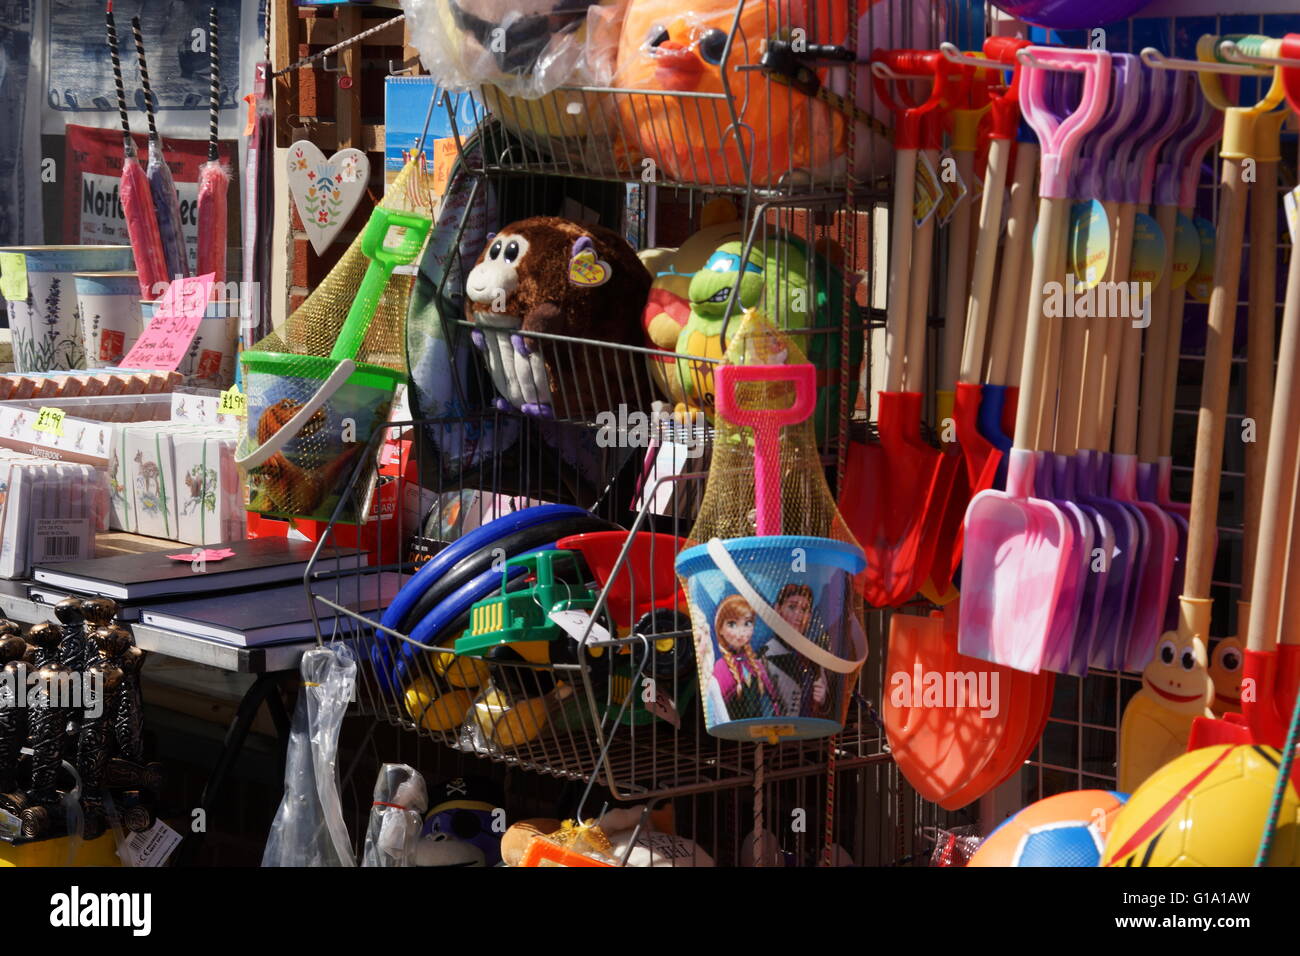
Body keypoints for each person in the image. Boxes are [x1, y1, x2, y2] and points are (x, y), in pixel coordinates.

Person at [763, 584, 830, 718]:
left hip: (810, 732)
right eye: (792, 607)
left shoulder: (813, 655)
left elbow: (827, 706)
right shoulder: (766, 655)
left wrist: (823, 700)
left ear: (810, 616)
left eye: (804, 609)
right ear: (778, 610)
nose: (798, 615)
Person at [710, 594, 781, 720]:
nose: (741, 632)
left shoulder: (755, 664)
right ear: (720, 628)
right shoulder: (720, 667)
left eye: (747, 623)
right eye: (732, 624)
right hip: (733, 733)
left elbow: (772, 702)